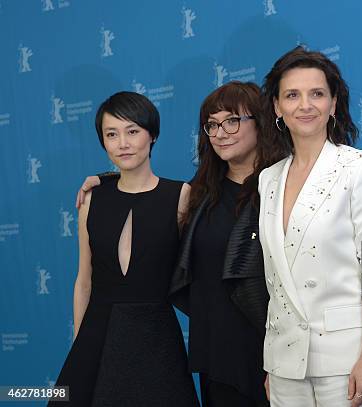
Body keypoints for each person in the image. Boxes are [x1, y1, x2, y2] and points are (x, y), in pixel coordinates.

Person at [75, 82, 278, 406]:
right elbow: (143, 198)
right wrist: (108, 180)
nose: (221, 132)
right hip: (215, 348)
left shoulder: (283, 188)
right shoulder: (201, 194)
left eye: (232, 121)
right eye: (212, 125)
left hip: (270, 344)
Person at [258, 46, 362, 407]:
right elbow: (276, 280)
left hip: (347, 359)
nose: (305, 105)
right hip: (285, 361)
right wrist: (275, 364)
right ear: (277, 107)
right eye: (292, 95)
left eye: (317, 94)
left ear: (333, 104)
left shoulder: (361, 167)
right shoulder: (268, 179)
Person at [50, 91, 199, 406]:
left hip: (156, 337)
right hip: (98, 334)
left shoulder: (181, 195)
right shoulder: (91, 198)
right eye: (111, 134)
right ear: (103, 142)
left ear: (152, 135)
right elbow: (84, 280)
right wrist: (81, 343)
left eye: (133, 131)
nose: (123, 143)